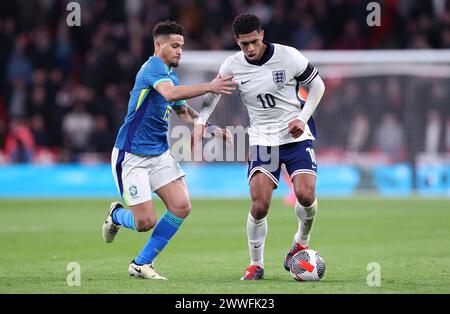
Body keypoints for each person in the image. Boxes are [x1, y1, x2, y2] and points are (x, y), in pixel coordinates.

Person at [194, 13, 325, 280]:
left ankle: (300, 242)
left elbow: (317, 86)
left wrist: (302, 117)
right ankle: (256, 264)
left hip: (295, 136)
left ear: (262, 35)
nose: (250, 49)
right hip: (263, 140)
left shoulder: (289, 56)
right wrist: (201, 121)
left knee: (306, 196)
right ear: (236, 41)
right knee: (260, 204)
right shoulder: (232, 65)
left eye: (254, 42)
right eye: (244, 44)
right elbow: (213, 93)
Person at [102, 20, 235, 280]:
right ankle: (117, 215)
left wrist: (212, 130)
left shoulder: (169, 74)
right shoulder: (152, 69)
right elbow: (171, 95)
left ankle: (141, 263)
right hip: (132, 155)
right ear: (158, 45)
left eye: (182, 46)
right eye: (174, 46)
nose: (179, 51)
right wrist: (210, 86)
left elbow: (183, 111)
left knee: (181, 206)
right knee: (145, 223)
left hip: (159, 154)